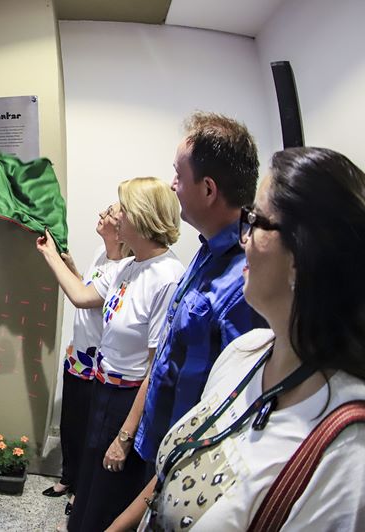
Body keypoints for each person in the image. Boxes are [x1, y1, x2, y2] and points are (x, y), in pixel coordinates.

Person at [139, 147, 365, 530]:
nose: (243, 240)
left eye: (256, 221)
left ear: (301, 253)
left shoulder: (347, 456)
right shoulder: (245, 353)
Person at [108, 112, 265, 530]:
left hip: (187, 466)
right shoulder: (205, 253)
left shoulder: (244, 282)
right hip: (160, 446)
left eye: (179, 175)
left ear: (208, 189)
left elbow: (227, 413)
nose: (173, 185)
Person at [37, 177, 184, 532]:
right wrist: (48, 253)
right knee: (92, 475)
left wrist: (124, 437)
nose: (116, 218)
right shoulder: (130, 266)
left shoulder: (166, 276)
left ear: (144, 219)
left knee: (111, 485)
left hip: (128, 401)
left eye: (124, 211)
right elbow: (83, 295)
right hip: (104, 388)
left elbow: (157, 368)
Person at [40, 203, 129, 510]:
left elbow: (82, 298)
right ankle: (69, 476)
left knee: (92, 430)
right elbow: (89, 289)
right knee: (72, 423)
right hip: (79, 354)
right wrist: (73, 267)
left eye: (108, 214)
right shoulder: (101, 255)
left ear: (120, 230)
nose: (101, 215)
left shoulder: (125, 268)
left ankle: (81, 490)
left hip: (99, 361)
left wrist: (52, 257)